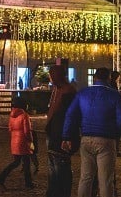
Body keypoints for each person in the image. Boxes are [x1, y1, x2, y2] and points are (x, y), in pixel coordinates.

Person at [62, 67, 121, 197]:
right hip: (106, 139)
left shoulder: (83, 93)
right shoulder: (114, 94)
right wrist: (117, 133)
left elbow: (70, 114)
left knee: (86, 178)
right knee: (105, 180)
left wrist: (66, 135)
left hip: (86, 138)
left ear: (94, 77)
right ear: (109, 78)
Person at [45, 64, 78, 197]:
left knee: (61, 169)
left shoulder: (68, 91)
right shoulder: (56, 90)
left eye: (51, 74)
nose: (50, 77)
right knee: (53, 168)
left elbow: (69, 116)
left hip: (61, 135)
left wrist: (67, 136)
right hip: (53, 133)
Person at [0, 98, 36, 189]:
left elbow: (10, 129)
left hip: (14, 141)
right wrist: (31, 141)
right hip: (23, 142)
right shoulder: (24, 115)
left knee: (16, 162)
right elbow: (27, 131)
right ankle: (28, 183)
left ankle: (1, 177)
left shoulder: (12, 115)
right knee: (26, 164)